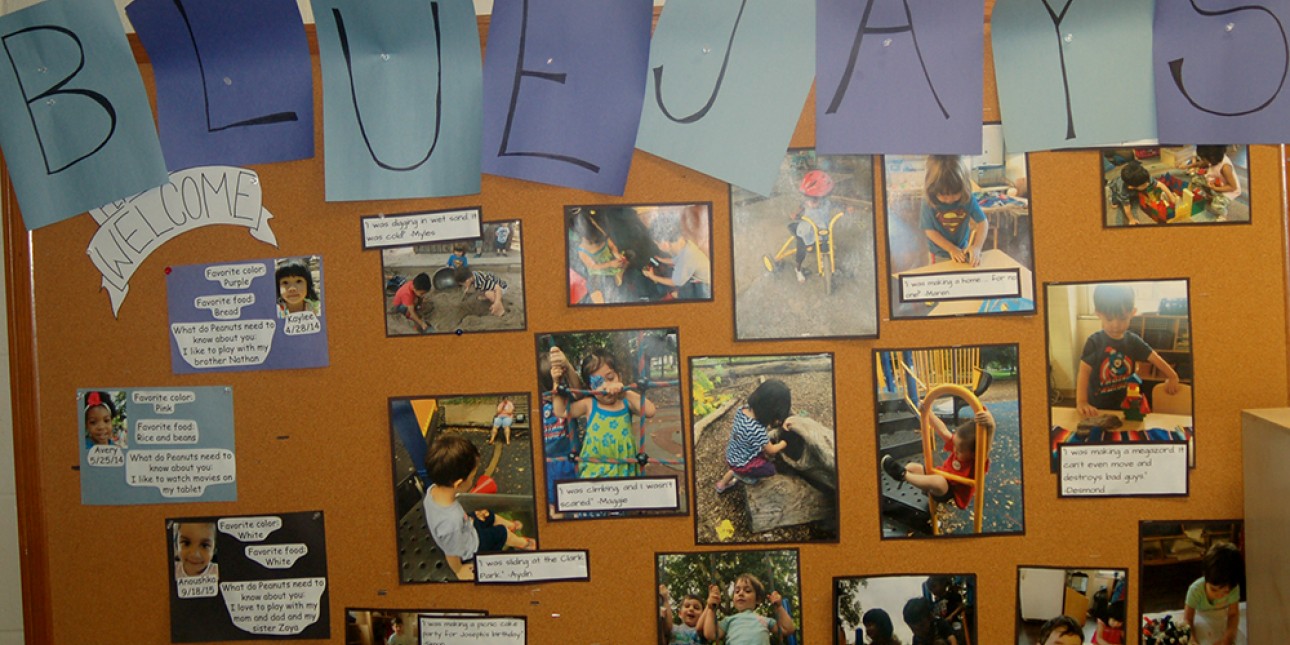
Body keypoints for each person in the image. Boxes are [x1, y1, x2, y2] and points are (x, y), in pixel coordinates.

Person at [422, 434, 535, 581]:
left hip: (466, 527)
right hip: (471, 547)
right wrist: (459, 570)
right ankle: (523, 543)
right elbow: (450, 551)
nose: (474, 479)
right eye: (473, 476)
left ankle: (510, 525)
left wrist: (471, 515)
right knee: (501, 533)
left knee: (487, 515)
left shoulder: (432, 490)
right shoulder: (451, 521)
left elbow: (455, 512)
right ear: (458, 484)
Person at [548, 345, 656, 479]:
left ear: (619, 377)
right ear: (589, 387)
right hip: (594, 473)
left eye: (610, 378)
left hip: (623, 471)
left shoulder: (625, 402)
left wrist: (625, 391)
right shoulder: (589, 404)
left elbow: (650, 411)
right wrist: (556, 383)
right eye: (597, 383)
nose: (605, 386)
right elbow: (561, 411)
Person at [1075, 284, 1180, 417]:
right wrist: (1082, 402)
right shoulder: (1094, 342)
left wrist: (1172, 376)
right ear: (1098, 314)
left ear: (1133, 313)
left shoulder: (1133, 341)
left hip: (1124, 407)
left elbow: (1155, 358)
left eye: (1122, 318)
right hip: (1097, 408)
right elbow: (1083, 373)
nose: (1116, 325)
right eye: (1109, 319)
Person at [882, 409, 995, 512]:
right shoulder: (960, 446)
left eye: (959, 451)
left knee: (938, 482)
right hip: (941, 475)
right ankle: (904, 475)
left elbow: (986, 448)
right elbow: (943, 430)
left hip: (952, 493)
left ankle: (902, 474)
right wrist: (928, 412)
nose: (954, 450)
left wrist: (991, 426)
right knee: (912, 466)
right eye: (954, 446)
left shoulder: (977, 463)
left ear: (974, 454)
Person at [715, 380, 792, 493]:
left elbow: (762, 424)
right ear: (770, 411)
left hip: (733, 454)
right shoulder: (757, 430)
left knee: (734, 469)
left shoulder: (742, 410)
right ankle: (744, 476)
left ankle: (721, 485)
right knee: (770, 469)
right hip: (743, 463)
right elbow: (771, 450)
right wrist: (784, 443)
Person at [538, 349, 583, 518]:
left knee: (578, 504)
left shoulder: (566, 400)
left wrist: (567, 365)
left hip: (572, 460)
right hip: (549, 464)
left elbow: (578, 390)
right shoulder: (538, 405)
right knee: (554, 508)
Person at [920, 155, 987, 267]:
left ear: (964, 186)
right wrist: (951, 249)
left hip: (963, 250)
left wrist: (976, 247)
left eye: (955, 193)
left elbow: (983, 223)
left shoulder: (967, 198)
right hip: (939, 254)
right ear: (932, 190)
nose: (950, 199)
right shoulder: (928, 202)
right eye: (944, 195)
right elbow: (930, 231)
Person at [699, 574, 795, 645]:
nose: (740, 593)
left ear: (757, 600)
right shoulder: (729, 620)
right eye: (737, 591)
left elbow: (788, 629)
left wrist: (779, 607)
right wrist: (711, 608)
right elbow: (710, 634)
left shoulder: (764, 620)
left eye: (747, 590)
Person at [1182, 542, 1244, 645]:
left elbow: (1233, 614)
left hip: (1221, 620)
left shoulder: (1234, 588)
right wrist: (1192, 639)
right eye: (1214, 589)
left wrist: (1229, 637)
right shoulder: (1195, 590)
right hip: (1202, 619)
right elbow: (1188, 618)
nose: (1219, 595)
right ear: (1205, 578)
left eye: (1226, 591)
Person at [784, 169, 840, 283]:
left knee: (826, 241)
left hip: (821, 229)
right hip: (806, 230)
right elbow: (800, 209)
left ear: (823, 196)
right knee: (802, 249)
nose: (813, 201)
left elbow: (836, 205)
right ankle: (798, 269)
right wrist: (795, 214)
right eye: (810, 198)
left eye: (816, 198)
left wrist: (846, 209)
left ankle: (824, 256)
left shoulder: (827, 202)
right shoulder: (806, 203)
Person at [643, 213, 711, 300]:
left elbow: (674, 282)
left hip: (706, 288)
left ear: (664, 244)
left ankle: (679, 295)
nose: (657, 246)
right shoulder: (685, 244)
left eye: (657, 244)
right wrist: (661, 260)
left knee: (680, 286)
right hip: (699, 276)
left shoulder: (686, 259)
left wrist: (653, 277)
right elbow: (677, 259)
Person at [1107, 160, 1176, 225]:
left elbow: (1160, 184)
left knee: (1147, 189)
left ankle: (1138, 191)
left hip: (1134, 186)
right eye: (1144, 184)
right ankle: (1112, 200)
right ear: (1131, 187)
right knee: (1116, 203)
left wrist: (1171, 197)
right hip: (1115, 189)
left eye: (1147, 181)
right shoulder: (1123, 191)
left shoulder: (1145, 179)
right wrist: (1131, 220)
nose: (1148, 184)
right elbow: (1127, 207)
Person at [1182, 145, 1241, 220]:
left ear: (1211, 158)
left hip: (1228, 190)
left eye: (1203, 158)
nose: (1201, 160)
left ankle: (1223, 214)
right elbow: (1201, 164)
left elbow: (1233, 187)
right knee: (1195, 180)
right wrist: (1188, 166)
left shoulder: (1225, 167)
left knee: (1215, 206)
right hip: (1216, 183)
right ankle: (1210, 195)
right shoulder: (1213, 159)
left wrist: (1216, 188)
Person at [574, 218, 626, 303]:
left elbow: (612, 247)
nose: (595, 243)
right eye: (592, 242)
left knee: (628, 257)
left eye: (597, 241)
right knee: (594, 286)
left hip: (611, 262)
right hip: (598, 270)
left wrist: (616, 254)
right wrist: (609, 264)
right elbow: (593, 266)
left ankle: (619, 273)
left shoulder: (601, 234)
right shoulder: (582, 250)